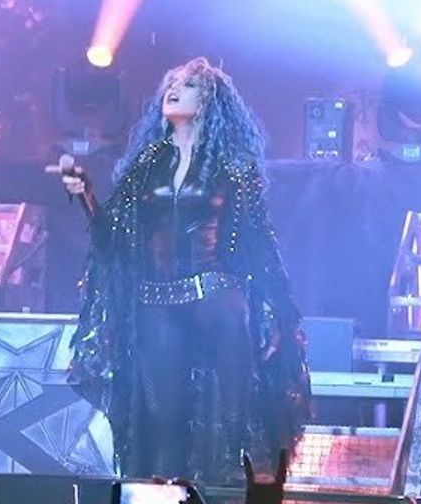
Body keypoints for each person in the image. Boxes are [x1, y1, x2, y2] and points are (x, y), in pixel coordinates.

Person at [59, 58, 310, 483]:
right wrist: (85, 196)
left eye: (188, 84)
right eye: (171, 83)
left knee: (234, 419)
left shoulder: (232, 166)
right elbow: (114, 239)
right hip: (157, 300)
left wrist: (278, 311)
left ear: (208, 100)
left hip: (215, 295)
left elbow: (258, 242)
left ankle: (230, 488)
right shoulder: (147, 163)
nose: (173, 89)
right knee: (163, 421)